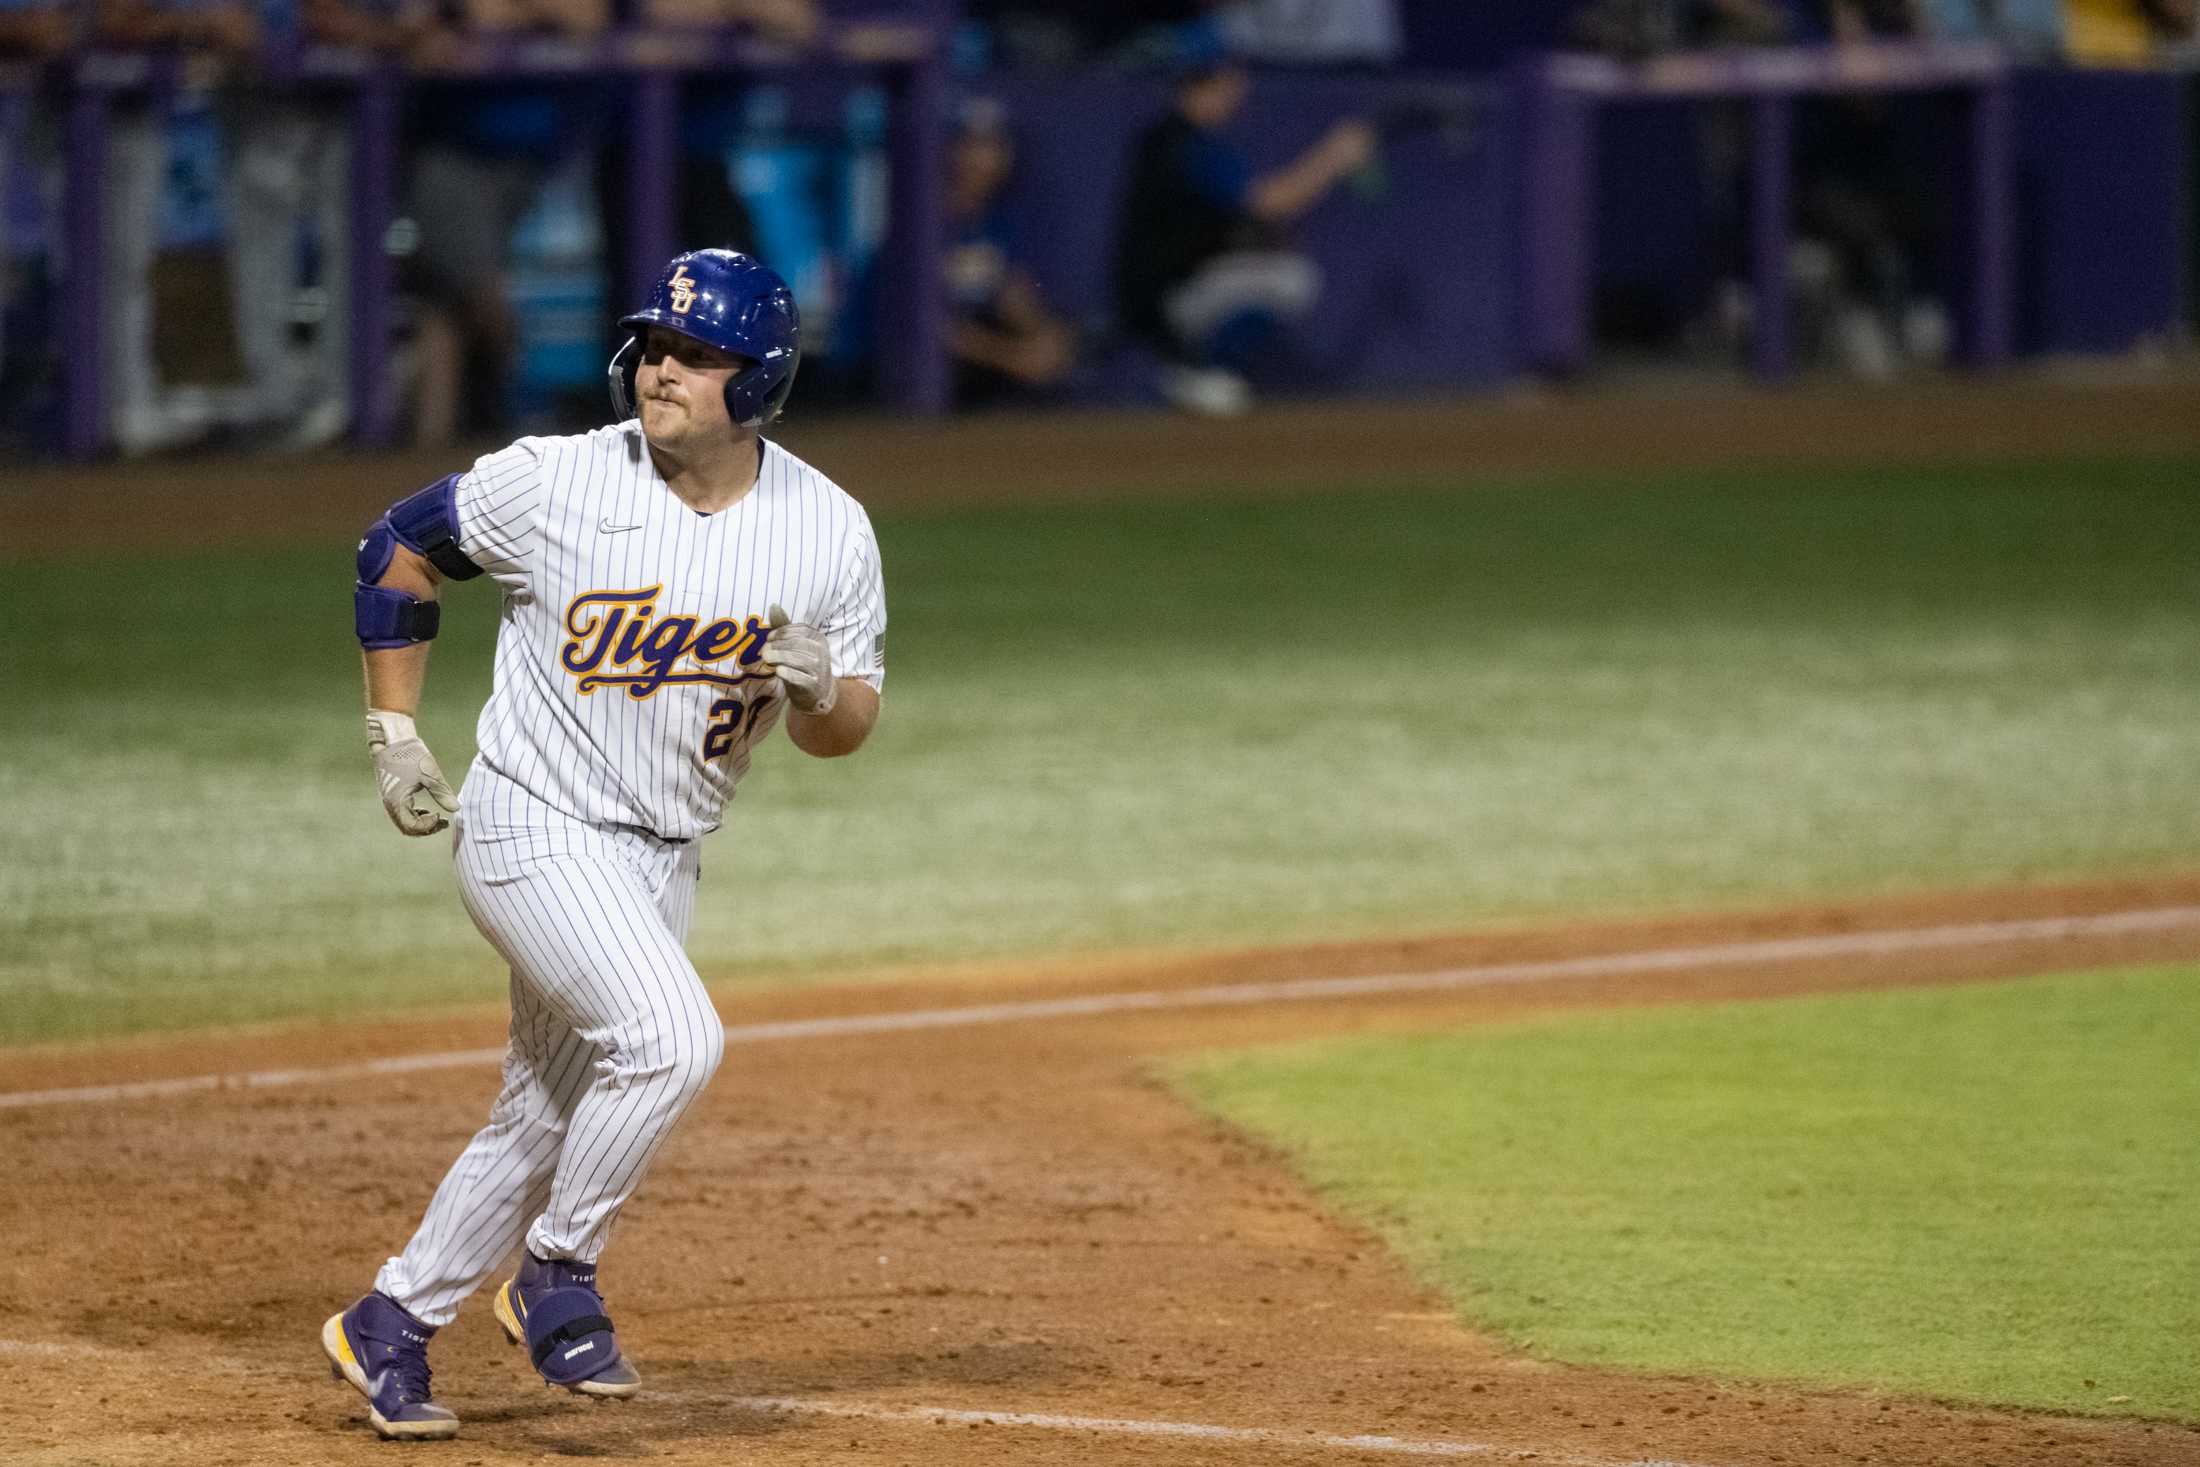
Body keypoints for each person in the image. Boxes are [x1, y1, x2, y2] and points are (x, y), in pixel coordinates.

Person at [323, 248, 887, 1441]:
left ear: (761, 379)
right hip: (531, 823)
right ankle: (558, 1275)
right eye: (655, 346)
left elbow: (845, 734)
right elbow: (397, 547)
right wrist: (392, 731)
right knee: (671, 1039)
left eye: (696, 354)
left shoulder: (829, 530)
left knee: (544, 1112)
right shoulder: (557, 481)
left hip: (662, 853)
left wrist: (820, 690)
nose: (660, 369)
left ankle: (391, 1325)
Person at [1111, 44, 1374, 414]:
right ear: (1205, 86)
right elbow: (1272, 203)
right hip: (1162, 299)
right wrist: (1334, 155)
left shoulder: (1169, 138)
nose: (1239, 98)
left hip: (1159, 290)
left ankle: (1195, 369)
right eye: (1231, 87)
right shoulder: (1185, 144)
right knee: (1291, 278)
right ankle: (1199, 370)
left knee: (1277, 266)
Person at [943, 97, 1076, 405]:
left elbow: (1011, 292)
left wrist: (1043, 337)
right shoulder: (919, 223)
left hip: (977, 365)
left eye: (995, 147)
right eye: (975, 146)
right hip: (897, 379)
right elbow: (928, 327)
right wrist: (1013, 357)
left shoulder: (997, 219)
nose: (986, 159)